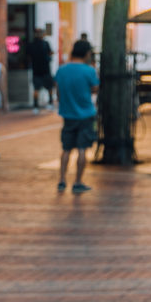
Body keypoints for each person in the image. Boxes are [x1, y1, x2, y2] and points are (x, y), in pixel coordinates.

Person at [55, 39, 99, 194]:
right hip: (85, 114)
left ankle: (61, 180)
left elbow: (58, 92)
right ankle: (78, 181)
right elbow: (95, 88)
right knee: (82, 149)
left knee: (66, 149)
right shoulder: (89, 71)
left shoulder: (61, 70)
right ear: (87, 53)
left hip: (68, 114)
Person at [27, 29, 54, 111]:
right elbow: (50, 53)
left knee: (36, 89)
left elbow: (28, 56)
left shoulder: (31, 44)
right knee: (49, 88)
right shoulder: (45, 44)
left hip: (36, 70)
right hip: (45, 70)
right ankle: (50, 103)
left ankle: (36, 106)